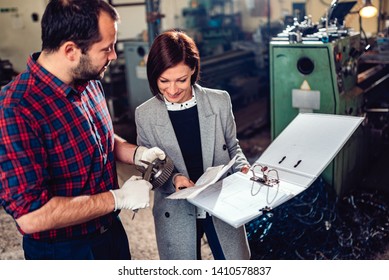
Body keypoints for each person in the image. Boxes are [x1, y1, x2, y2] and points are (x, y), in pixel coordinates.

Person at [0, 0, 165, 260]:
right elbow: (31, 216)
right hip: (63, 252)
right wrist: (117, 198)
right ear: (70, 51)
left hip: (110, 234)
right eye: (107, 48)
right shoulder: (16, 108)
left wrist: (135, 154)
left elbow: (99, 137)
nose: (113, 55)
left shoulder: (88, 81)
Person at [135, 30, 251, 260]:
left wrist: (245, 169)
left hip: (220, 200)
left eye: (181, 79)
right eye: (163, 81)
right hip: (176, 211)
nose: (172, 90)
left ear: (193, 71)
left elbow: (233, 147)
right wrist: (174, 177)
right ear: (153, 77)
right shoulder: (145, 115)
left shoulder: (219, 101)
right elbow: (147, 167)